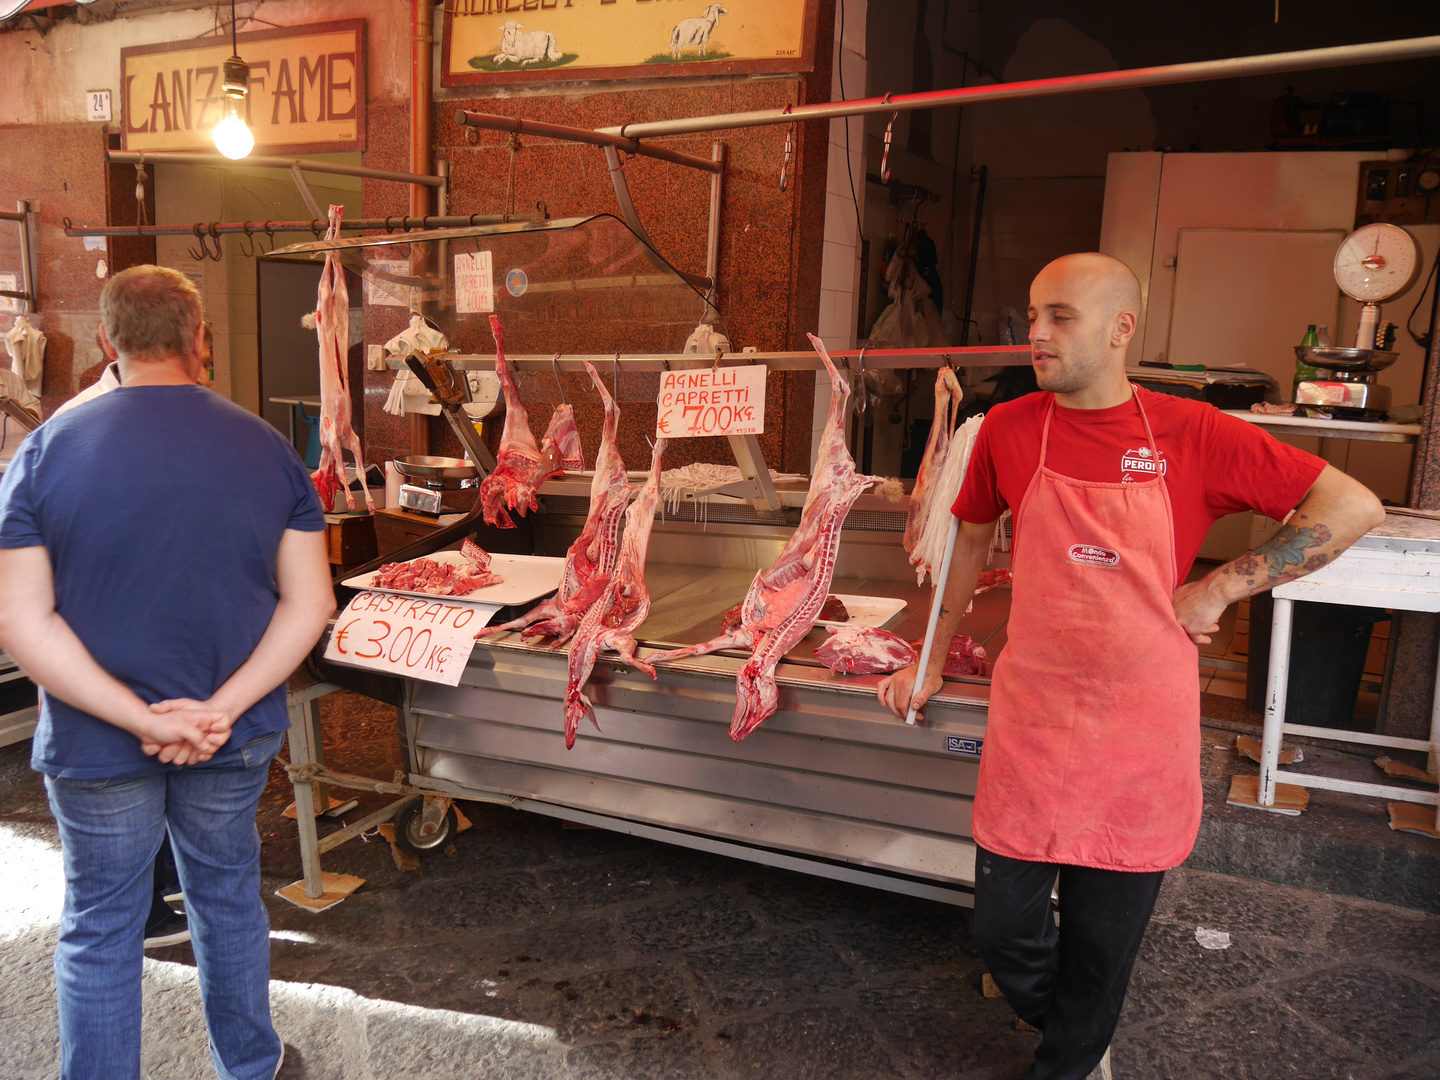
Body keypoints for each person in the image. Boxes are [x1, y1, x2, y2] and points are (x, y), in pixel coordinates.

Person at [878, 252, 1385, 1080]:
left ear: (1121, 329)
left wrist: (1224, 587)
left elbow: (1351, 505)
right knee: (1004, 929)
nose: (1036, 333)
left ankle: (1073, 1057)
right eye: (1034, 314)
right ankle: (1071, 1020)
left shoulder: (1192, 431)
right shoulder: (1009, 428)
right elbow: (970, 540)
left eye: (1061, 317)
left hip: (1139, 728)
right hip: (1034, 714)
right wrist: (931, 658)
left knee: (1101, 939)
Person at [0, 266, 335, 1080]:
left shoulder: (42, 455)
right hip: (232, 735)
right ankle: (251, 1067)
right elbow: (310, 604)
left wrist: (141, 718)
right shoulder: (268, 448)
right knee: (226, 903)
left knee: (101, 925)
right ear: (201, 341)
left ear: (108, 343)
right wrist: (216, 707)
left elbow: (22, 621)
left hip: (92, 744)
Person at [45, 321, 214, 950]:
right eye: (203, 348)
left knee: (157, 809)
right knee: (106, 892)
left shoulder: (174, 420)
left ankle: (163, 889)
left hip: (158, 657)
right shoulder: (83, 427)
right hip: (107, 671)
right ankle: (144, 913)